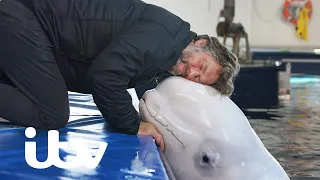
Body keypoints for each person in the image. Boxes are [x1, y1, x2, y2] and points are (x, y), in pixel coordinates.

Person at [0, 0, 240, 150]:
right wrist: (133, 125)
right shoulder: (165, 42)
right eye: (202, 66)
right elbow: (105, 78)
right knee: (51, 114)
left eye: (198, 79)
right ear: (201, 42)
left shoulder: (169, 47)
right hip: (22, 17)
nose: (192, 73)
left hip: (28, 24)